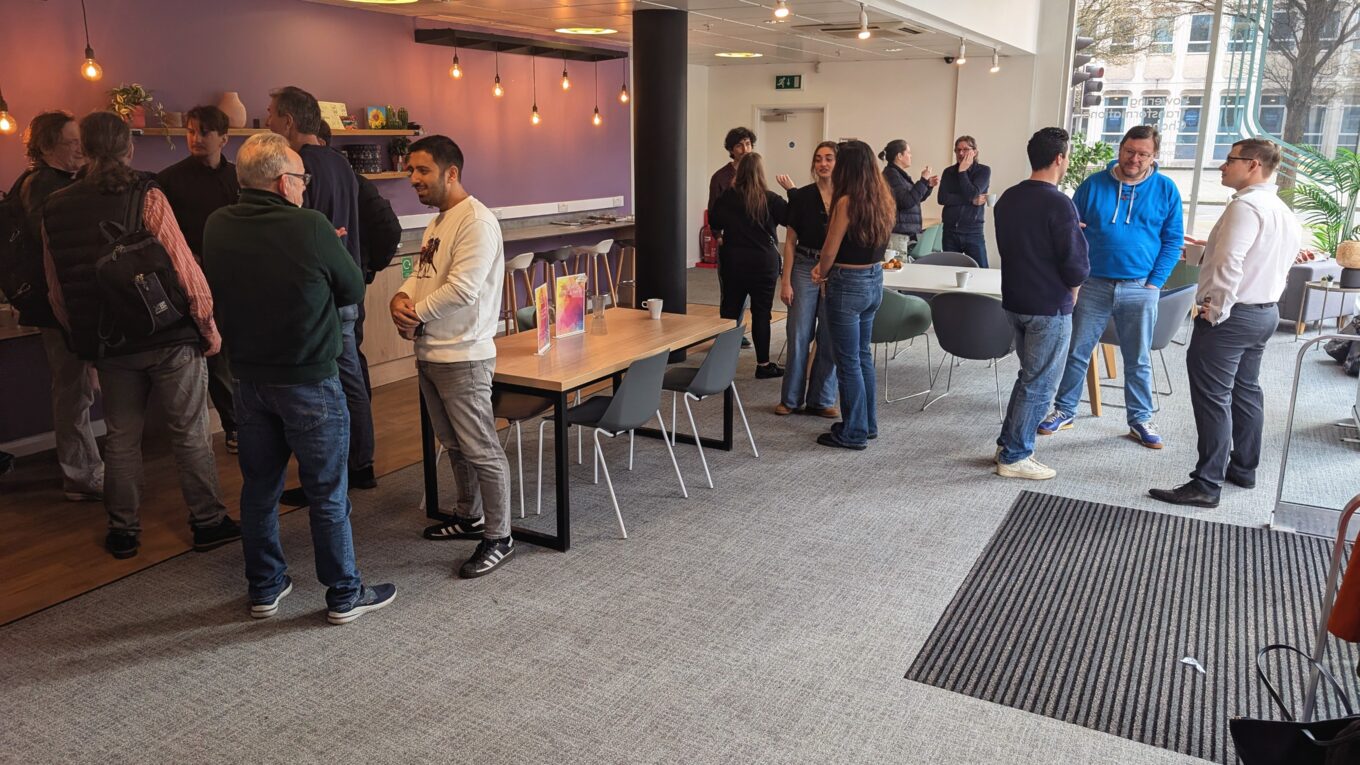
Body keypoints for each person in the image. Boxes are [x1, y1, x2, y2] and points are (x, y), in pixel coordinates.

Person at [203, 132, 396, 623]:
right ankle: (344, 594)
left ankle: (265, 588)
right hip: (309, 379)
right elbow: (352, 288)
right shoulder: (310, 226)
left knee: (258, 489)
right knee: (327, 492)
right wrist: (325, 250)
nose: (305, 186)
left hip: (248, 382)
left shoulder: (217, 224)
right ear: (280, 181)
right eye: (301, 178)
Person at [42, 111, 239, 560]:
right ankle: (208, 522)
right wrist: (208, 326)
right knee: (189, 432)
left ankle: (123, 530)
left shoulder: (55, 207)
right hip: (168, 334)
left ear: (84, 149)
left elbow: (58, 292)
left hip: (110, 343)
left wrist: (85, 341)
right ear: (128, 149)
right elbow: (185, 269)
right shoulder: (146, 195)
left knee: (121, 438)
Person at [1149, 139, 1301, 508]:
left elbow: (1229, 263)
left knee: (1213, 398)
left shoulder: (1245, 207)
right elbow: (1267, 261)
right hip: (1264, 312)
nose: (1222, 166)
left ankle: (1206, 484)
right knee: (1246, 391)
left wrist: (1213, 309)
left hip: (1232, 317)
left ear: (1253, 165)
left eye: (1230, 160)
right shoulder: (1281, 210)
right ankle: (1243, 468)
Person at [391, 135, 516, 579]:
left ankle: (500, 536)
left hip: (463, 355)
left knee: (481, 449)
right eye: (411, 170)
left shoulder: (476, 221)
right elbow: (419, 272)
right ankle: (469, 516)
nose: (413, 179)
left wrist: (415, 316)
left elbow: (463, 290)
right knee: (454, 444)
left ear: (452, 173)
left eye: (422, 170)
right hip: (431, 352)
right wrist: (399, 297)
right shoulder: (437, 222)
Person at [1039, 125, 1184, 449]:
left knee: (1138, 358)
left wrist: (1155, 282)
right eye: (1130, 151)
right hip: (1092, 284)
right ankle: (1065, 410)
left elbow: (1173, 240)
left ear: (1154, 156)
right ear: (1120, 149)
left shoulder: (1165, 189)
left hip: (1140, 287)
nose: (1135, 159)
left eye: (1143, 154)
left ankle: (1140, 419)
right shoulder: (1093, 185)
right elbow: (1071, 230)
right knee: (1077, 352)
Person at [266, 85, 377, 495]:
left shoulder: (300, 169)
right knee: (350, 378)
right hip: (345, 285)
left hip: (319, 292)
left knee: (327, 387)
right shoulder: (340, 164)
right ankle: (359, 465)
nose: (268, 121)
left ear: (288, 121)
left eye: (271, 114)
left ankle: (333, 473)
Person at [12, 110, 104, 501]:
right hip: (57, 305)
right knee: (72, 389)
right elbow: (56, 244)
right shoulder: (41, 186)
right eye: (72, 142)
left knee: (78, 387)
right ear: (48, 146)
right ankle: (81, 476)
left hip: (69, 302)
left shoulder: (60, 181)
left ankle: (85, 469)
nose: (81, 148)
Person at [993, 128, 1090, 480]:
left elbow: (1023, 243)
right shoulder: (1059, 203)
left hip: (1015, 299)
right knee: (1040, 383)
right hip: (1048, 304)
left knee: (1029, 377)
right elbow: (1075, 265)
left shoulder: (1008, 198)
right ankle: (1016, 455)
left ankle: (1008, 444)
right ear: (1059, 158)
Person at [157, 105, 241, 454]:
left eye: (205, 132)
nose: (196, 138)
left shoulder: (239, 176)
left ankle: (257, 419)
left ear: (224, 138)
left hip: (240, 276)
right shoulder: (169, 180)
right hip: (196, 280)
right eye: (191, 131)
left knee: (244, 348)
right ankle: (234, 425)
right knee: (216, 353)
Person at [812, 140, 895, 450]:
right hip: (874, 280)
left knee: (847, 361)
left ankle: (854, 432)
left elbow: (829, 249)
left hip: (847, 283)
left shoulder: (846, 201)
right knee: (861, 356)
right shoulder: (882, 198)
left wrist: (821, 272)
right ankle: (867, 424)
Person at [317, 121, 402, 396]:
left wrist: (369, 267)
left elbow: (389, 228)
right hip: (342, 279)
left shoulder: (353, 183)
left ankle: (359, 417)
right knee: (349, 354)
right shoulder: (346, 182)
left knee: (349, 354)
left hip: (348, 282)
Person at [709, 152, 789, 379]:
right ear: (760, 173)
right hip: (764, 263)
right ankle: (763, 365)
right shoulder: (771, 199)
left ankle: (722, 364)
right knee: (762, 313)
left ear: (740, 172)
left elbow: (714, 221)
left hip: (733, 262)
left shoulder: (727, 198)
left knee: (730, 311)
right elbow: (791, 219)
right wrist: (791, 191)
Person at [776, 140, 838, 417]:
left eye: (829, 158)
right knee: (799, 333)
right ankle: (790, 399)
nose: (823, 164)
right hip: (803, 265)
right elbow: (790, 242)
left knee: (829, 335)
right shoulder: (801, 196)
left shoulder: (847, 197)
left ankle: (822, 399)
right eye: (818, 159)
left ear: (838, 163)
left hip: (835, 269)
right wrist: (785, 280)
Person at [937, 135, 992, 268]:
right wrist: (970, 201)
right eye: (958, 150)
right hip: (950, 230)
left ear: (975, 152)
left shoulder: (983, 171)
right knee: (949, 271)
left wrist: (962, 171)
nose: (961, 153)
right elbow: (942, 198)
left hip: (973, 231)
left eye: (965, 149)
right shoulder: (948, 172)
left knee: (981, 271)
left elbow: (972, 192)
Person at [879, 139, 938, 257]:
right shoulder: (892, 175)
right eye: (908, 152)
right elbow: (906, 202)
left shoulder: (899, 175)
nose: (911, 156)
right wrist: (923, 180)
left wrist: (927, 185)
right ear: (899, 156)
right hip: (898, 235)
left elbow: (914, 199)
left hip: (904, 233)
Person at [708, 127, 757, 212]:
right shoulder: (719, 177)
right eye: (739, 145)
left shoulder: (755, 172)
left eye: (748, 144)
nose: (745, 149)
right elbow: (713, 211)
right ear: (731, 150)